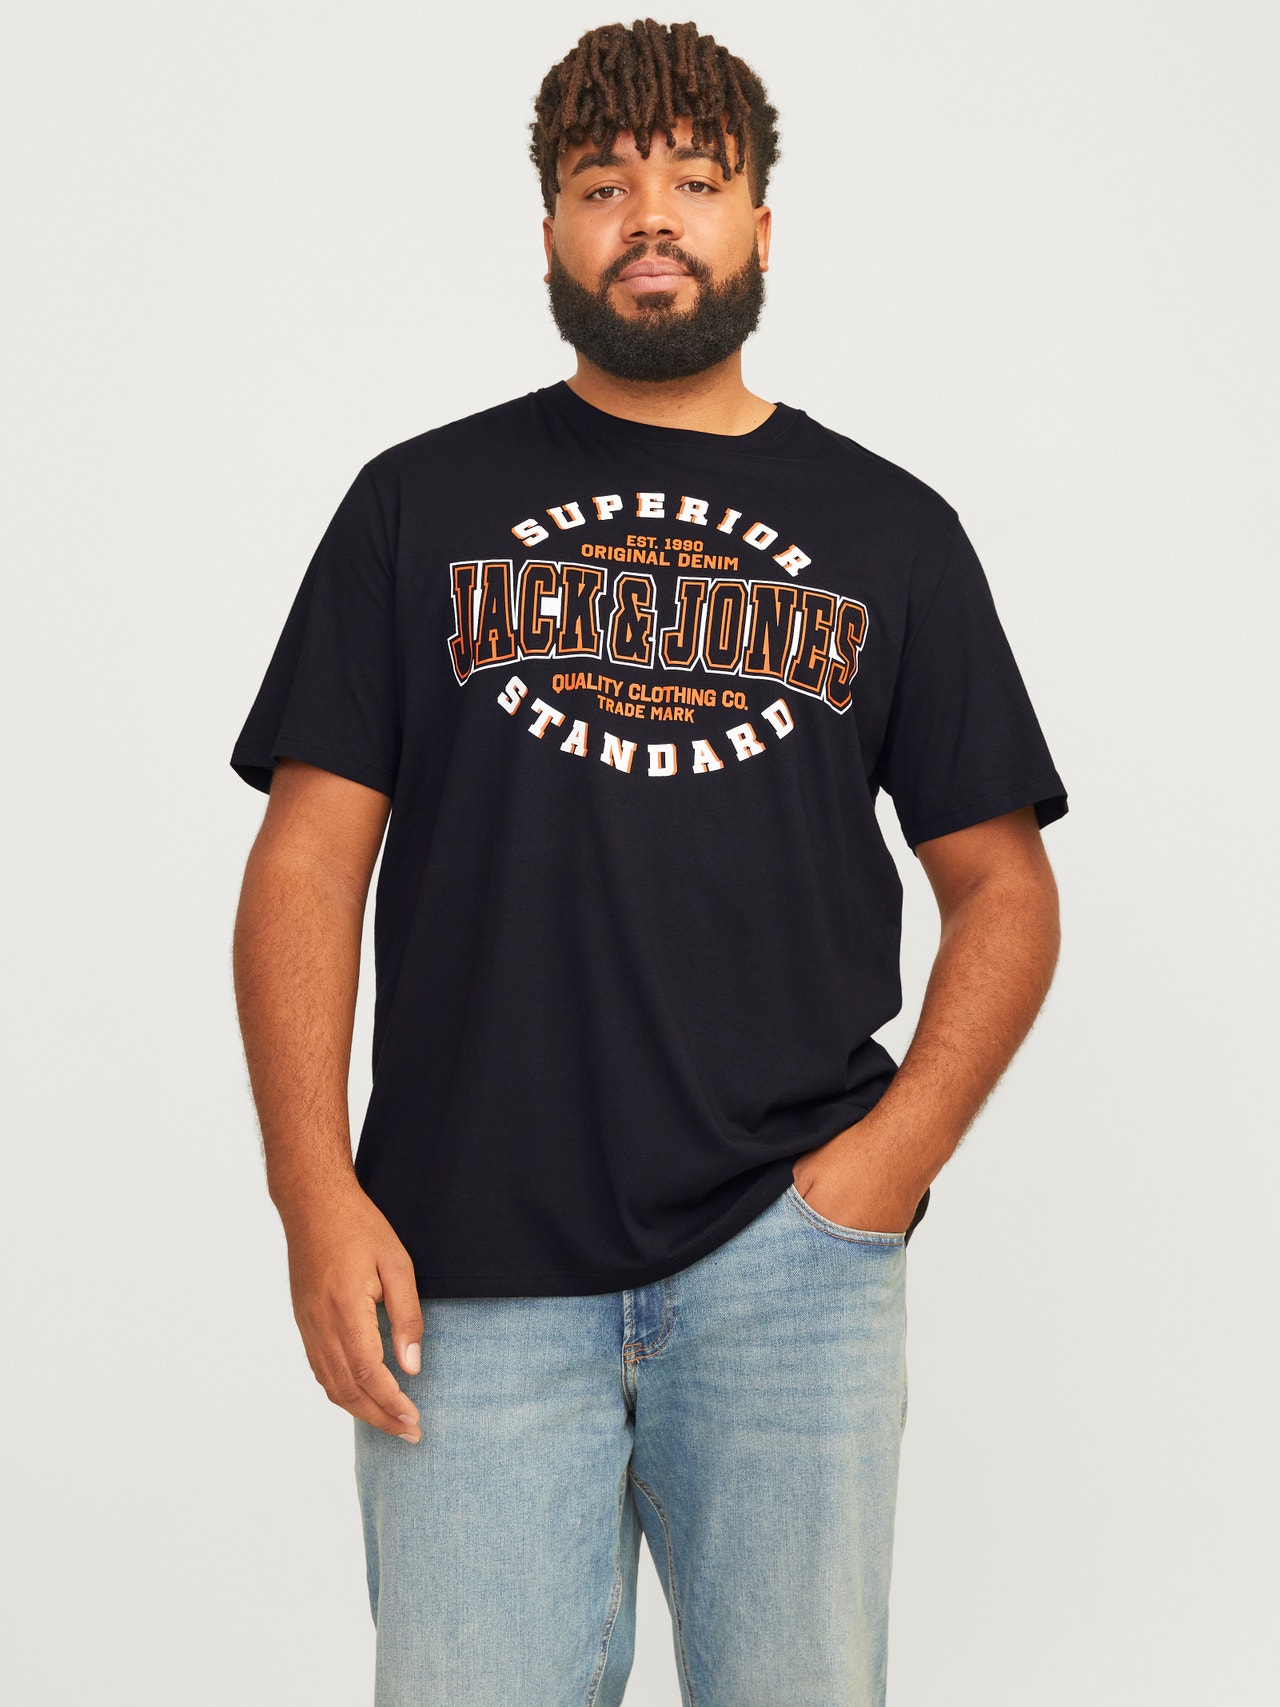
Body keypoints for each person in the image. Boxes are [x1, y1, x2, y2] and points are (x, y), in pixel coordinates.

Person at [230, 18, 1066, 1706]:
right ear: (549, 231)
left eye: (696, 178)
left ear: (761, 224)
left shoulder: (894, 532)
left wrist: (877, 1176)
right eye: (604, 184)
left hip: (790, 1268)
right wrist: (313, 1192)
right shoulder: (416, 506)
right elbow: (307, 865)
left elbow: (1005, 886)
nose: (651, 216)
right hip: (460, 1270)